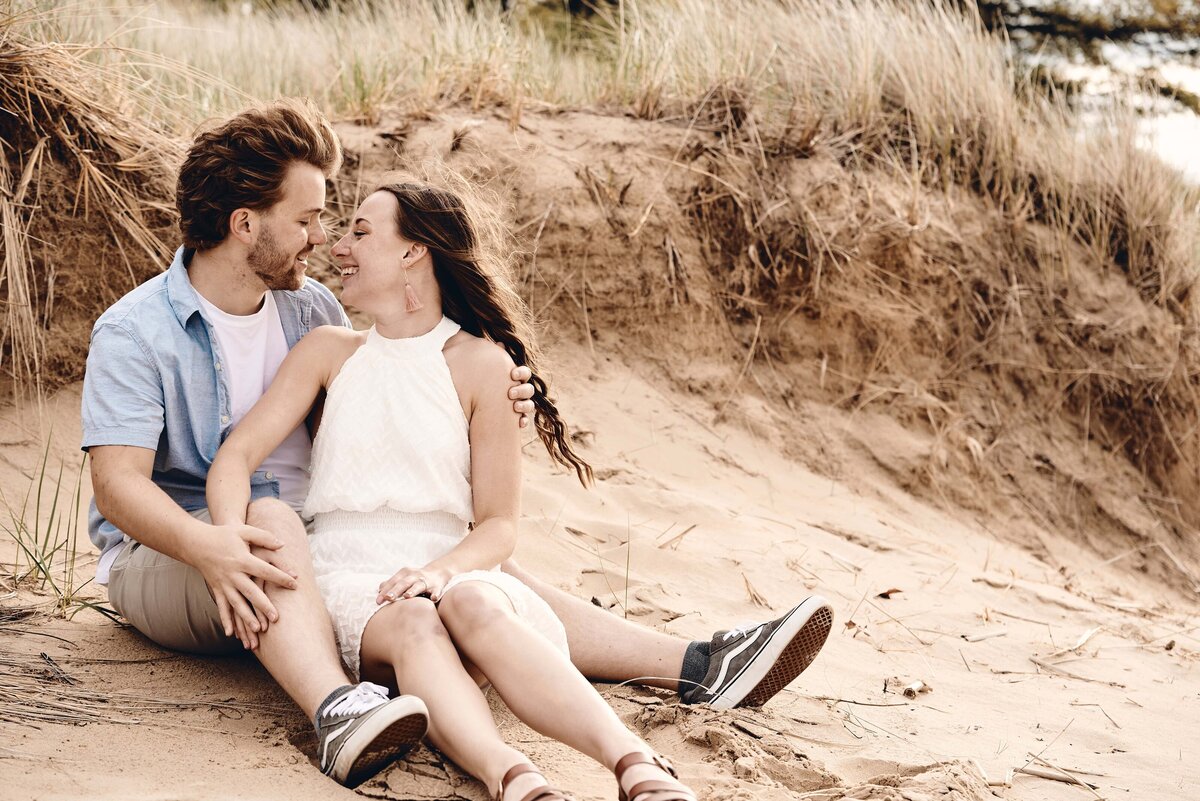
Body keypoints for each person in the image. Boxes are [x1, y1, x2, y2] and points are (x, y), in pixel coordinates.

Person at [80, 99, 833, 789]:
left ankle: (699, 665)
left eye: (337, 224)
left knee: (464, 575)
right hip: (180, 555)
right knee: (289, 529)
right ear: (247, 224)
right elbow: (119, 487)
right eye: (309, 219)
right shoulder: (137, 330)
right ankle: (336, 709)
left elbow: (393, 394)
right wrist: (213, 545)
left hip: (321, 541)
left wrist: (495, 399)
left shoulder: (308, 308)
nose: (323, 237)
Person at [207, 179, 706, 801]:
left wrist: (440, 571)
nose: (339, 247)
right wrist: (228, 539)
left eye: (361, 232)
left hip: (452, 568)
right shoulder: (328, 352)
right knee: (414, 618)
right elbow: (236, 456)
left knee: (468, 604)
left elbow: (499, 524)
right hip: (346, 577)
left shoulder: (482, 364)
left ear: (414, 251)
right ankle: (515, 778)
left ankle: (637, 764)